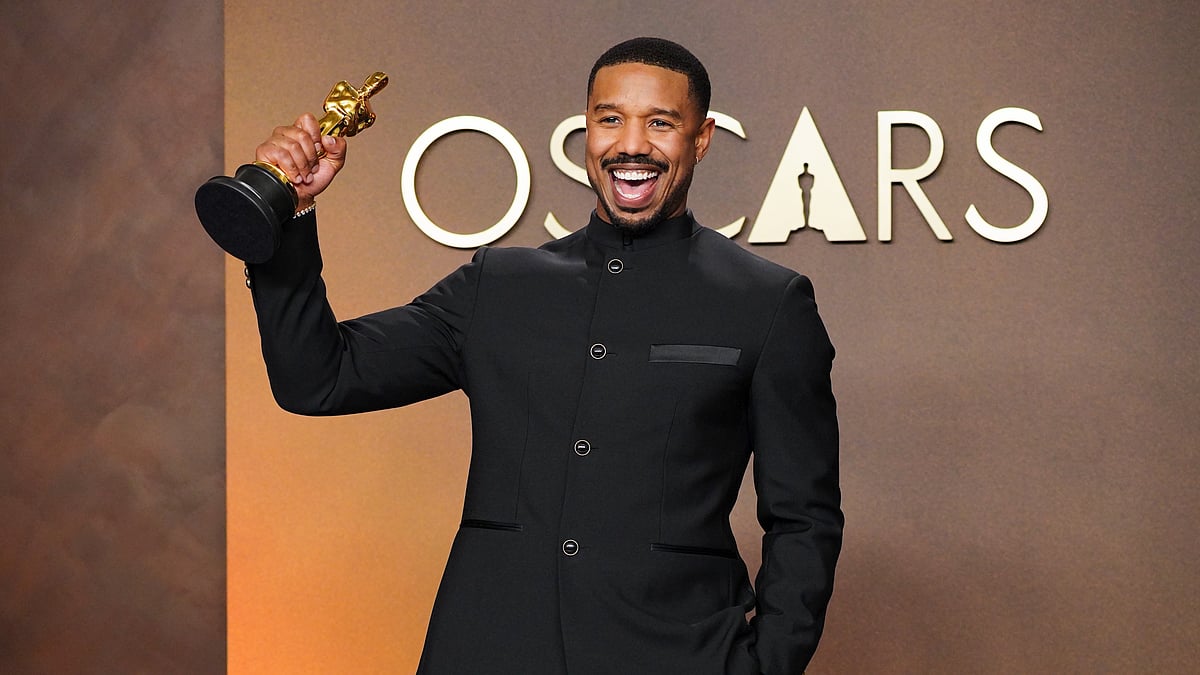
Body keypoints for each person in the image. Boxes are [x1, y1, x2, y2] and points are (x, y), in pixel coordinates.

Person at [244, 37, 842, 674]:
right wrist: (291, 218)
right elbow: (318, 379)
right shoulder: (497, 286)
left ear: (702, 138)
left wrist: (765, 665)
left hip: (675, 656)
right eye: (610, 119)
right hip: (487, 651)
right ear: (587, 130)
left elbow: (804, 517)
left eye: (660, 123)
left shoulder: (768, 303)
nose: (631, 144)